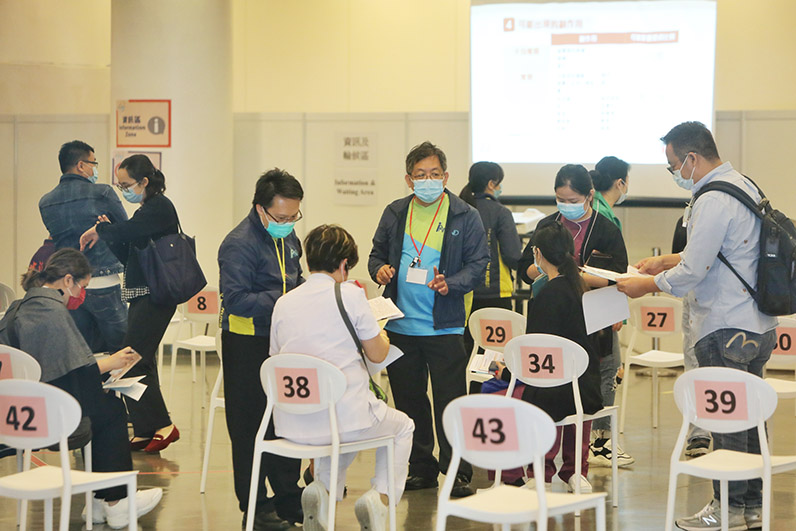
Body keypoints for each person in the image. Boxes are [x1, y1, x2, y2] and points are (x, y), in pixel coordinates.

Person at [616, 121, 777, 531]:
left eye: (673, 165)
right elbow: (725, 253)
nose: (674, 173)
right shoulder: (744, 185)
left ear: (691, 158)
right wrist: (666, 261)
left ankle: (727, 509)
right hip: (757, 325)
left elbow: (695, 269)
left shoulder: (712, 199)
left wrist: (646, 285)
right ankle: (751, 506)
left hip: (723, 326)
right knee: (750, 419)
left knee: (727, 423)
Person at [0, 249, 162, 529]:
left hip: (14, 415)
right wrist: (111, 364)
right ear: (67, 280)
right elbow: (75, 372)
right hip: (46, 421)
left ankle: (100, 500)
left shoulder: (18, 307)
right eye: (82, 286)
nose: (82, 294)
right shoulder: (52, 312)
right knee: (110, 411)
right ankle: (116, 502)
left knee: (98, 405)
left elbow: (52, 369)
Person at [270, 224, 414, 531]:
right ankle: (380, 500)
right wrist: (382, 334)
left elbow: (276, 358)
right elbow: (377, 354)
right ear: (345, 263)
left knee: (339, 434)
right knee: (401, 427)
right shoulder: (350, 295)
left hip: (293, 423)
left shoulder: (284, 302)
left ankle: (322, 494)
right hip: (344, 418)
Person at [368, 141, 490, 498]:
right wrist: (380, 270)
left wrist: (452, 283)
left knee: (450, 401)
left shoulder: (465, 215)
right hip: (400, 325)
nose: (428, 180)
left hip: (445, 325)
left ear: (446, 177)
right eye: (420, 175)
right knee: (410, 401)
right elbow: (376, 254)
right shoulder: (395, 212)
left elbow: (479, 263)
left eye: (434, 174)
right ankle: (421, 468)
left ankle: (457, 472)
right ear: (409, 179)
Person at [517, 164, 629, 489]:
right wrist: (543, 268)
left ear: (589, 195)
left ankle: (575, 469)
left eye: (573, 200)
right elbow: (524, 268)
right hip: (550, 317)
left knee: (581, 392)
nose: (566, 205)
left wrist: (576, 275)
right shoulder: (547, 226)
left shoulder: (606, 228)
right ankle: (541, 470)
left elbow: (618, 276)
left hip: (591, 323)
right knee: (547, 394)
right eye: (560, 199)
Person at [218, 168, 305, 530]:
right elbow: (236, 300)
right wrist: (285, 299)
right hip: (247, 343)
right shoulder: (239, 244)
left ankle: (288, 497)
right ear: (260, 208)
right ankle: (254, 505)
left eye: (293, 217)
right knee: (250, 427)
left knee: (287, 421)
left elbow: (295, 277)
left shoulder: (288, 235)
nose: (288, 223)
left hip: (282, 341)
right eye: (281, 217)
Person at [79, 154, 180, 454]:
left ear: (144, 181)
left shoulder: (160, 206)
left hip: (156, 295)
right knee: (135, 359)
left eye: (126, 185)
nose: (124, 190)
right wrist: (109, 233)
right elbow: (128, 255)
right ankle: (146, 428)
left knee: (132, 358)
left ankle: (163, 425)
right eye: (120, 186)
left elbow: (127, 231)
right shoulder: (144, 211)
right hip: (142, 294)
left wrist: (102, 230)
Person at [493, 222, 602, 491]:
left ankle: (529, 474)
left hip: (553, 391)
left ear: (538, 253)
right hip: (585, 389)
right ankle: (572, 471)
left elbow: (534, 355)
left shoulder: (545, 295)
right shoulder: (582, 289)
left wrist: (505, 372)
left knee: (495, 393)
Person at [39, 140, 129, 353]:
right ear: (81, 165)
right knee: (122, 349)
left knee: (82, 352)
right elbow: (125, 229)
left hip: (69, 287)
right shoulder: (103, 193)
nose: (95, 169)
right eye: (93, 163)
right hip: (104, 282)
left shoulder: (45, 202)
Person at [587, 156, 636, 468]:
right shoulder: (604, 218)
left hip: (591, 304)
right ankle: (601, 443)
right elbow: (608, 272)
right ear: (620, 182)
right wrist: (616, 310)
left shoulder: (595, 211)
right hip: (600, 307)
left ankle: (592, 442)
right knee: (608, 370)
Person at [459, 161, 522, 356]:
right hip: (495, 293)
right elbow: (512, 255)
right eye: (499, 182)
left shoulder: (460, 209)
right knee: (495, 356)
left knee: (467, 353)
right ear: (491, 184)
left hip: (463, 294)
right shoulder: (501, 212)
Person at [672, 216, 713, 459]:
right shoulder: (685, 220)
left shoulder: (719, 215)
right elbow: (680, 263)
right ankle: (699, 432)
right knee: (695, 364)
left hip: (726, 306)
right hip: (695, 298)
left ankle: (733, 439)